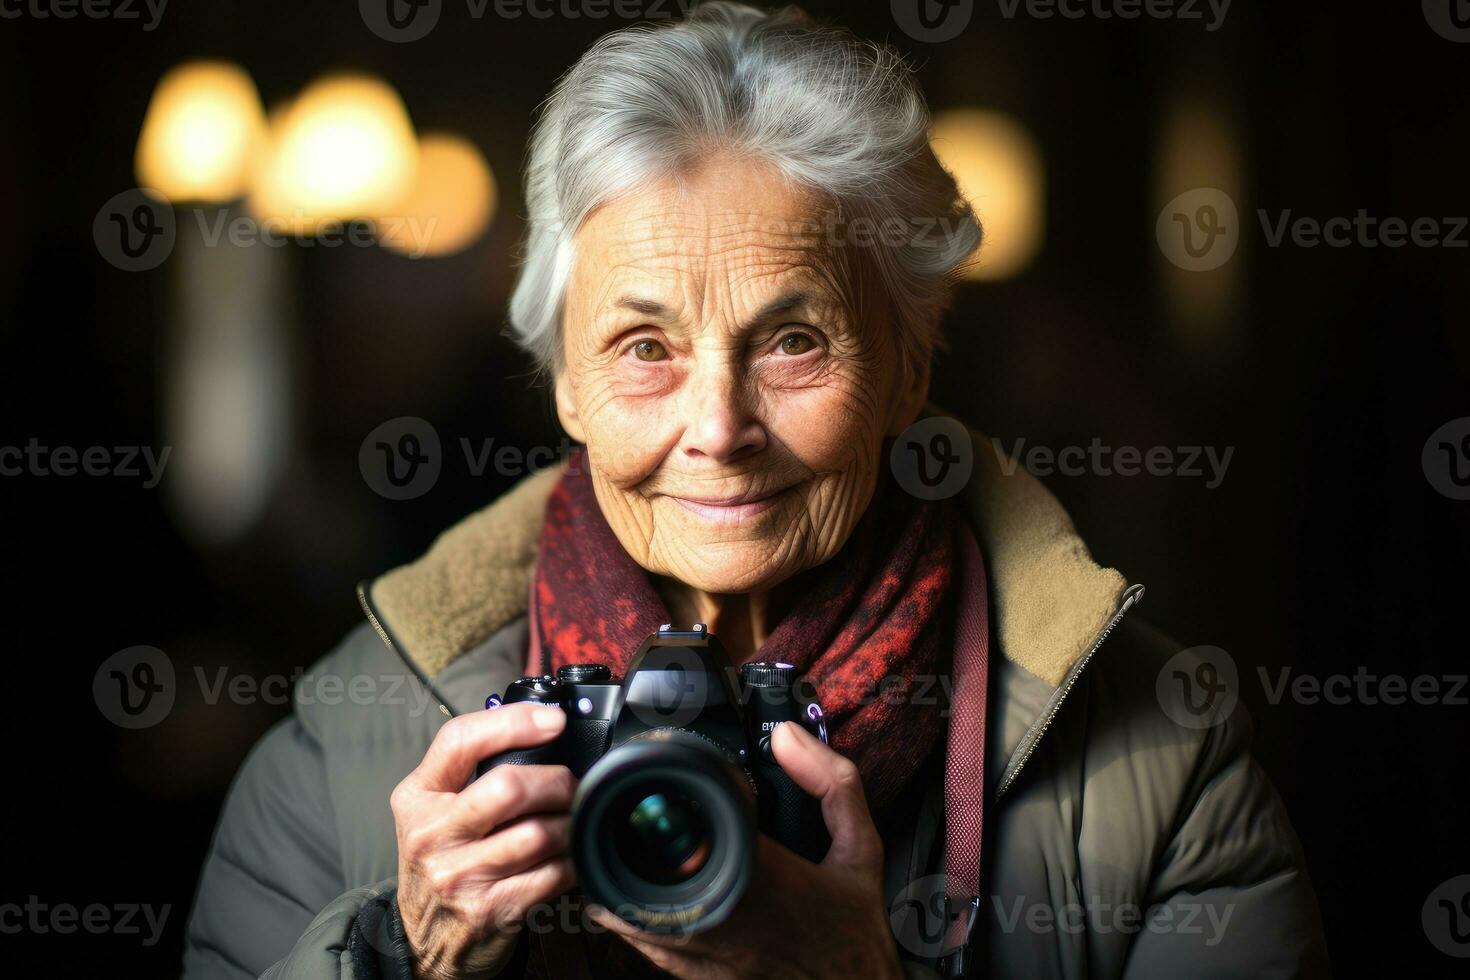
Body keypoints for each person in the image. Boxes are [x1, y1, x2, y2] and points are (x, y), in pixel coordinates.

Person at [183, 4, 1329, 977]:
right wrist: (396, 954)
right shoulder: (347, 741)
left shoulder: (1158, 759)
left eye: (792, 340)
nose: (719, 430)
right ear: (565, 384)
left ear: (908, 369)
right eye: (643, 347)